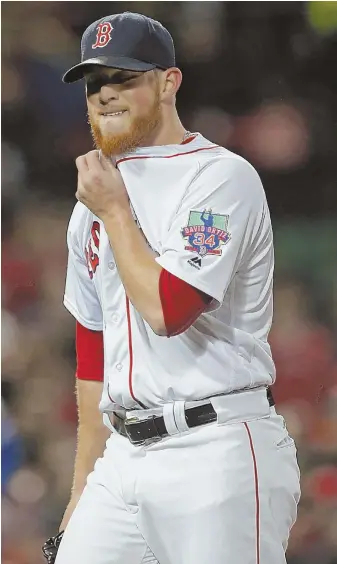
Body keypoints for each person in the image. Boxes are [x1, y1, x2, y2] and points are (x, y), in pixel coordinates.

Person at [43, 11, 300, 564]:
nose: (106, 95)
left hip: (216, 448)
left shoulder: (219, 177)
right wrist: (80, 493)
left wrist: (113, 211)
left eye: (124, 78)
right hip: (124, 457)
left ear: (168, 81)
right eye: (95, 83)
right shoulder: (91, 201)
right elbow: (93, 359)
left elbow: (169, 308)